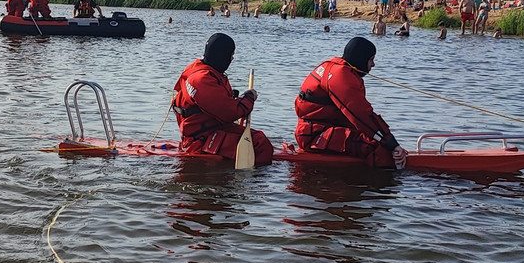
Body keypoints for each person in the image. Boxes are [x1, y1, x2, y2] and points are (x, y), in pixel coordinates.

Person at [293, 37, 407, 169]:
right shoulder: (341, 76)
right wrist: (391, 144)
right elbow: (362, 116)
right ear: (361, 59)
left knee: (374, 138)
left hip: (316, 130)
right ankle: (386, 184)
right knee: (379, 148)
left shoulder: (335, 68)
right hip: (314, 136)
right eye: (371, 60)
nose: (373, 65)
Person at [172, 33, 274, 164]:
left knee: (257, 138)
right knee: (260, 144)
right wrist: (249, 98)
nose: (232, 59)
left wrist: (235, 97)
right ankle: (251, 181)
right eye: (230, 55)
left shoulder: (197, 69)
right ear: (222, 56)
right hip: (201, 139)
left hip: (204, 129)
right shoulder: (203, 79)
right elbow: (231, 113)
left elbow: (216, 102)